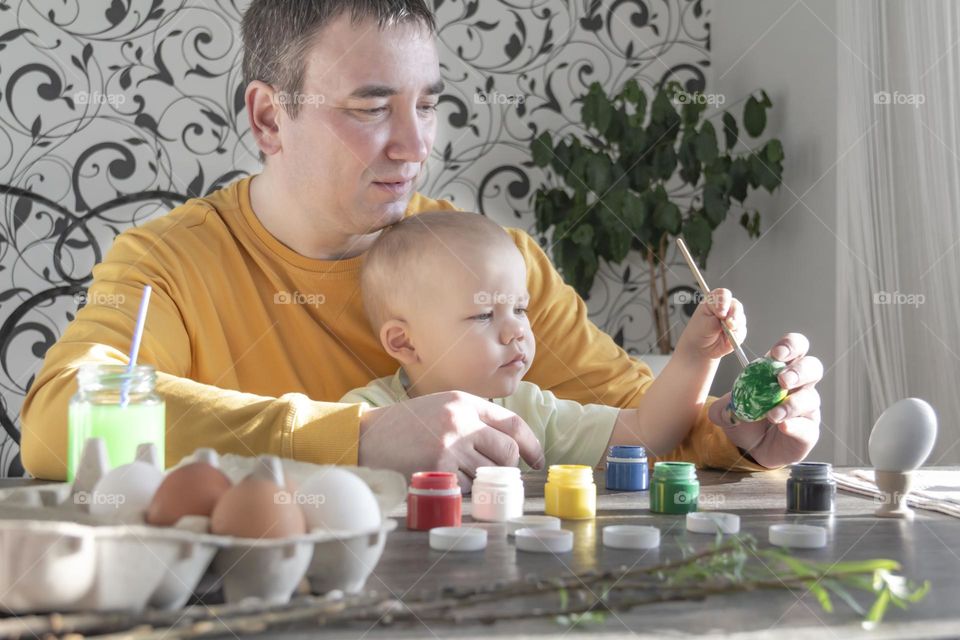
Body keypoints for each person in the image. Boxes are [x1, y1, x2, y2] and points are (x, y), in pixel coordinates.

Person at [19, 0, 823, 482]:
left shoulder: (489, 259)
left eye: (427, 105)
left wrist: (738, 430)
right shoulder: (168, 262)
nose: (415, 145)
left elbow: (635, 422)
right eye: (371, 109)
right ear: (269, 117)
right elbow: (59, 422)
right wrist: (361, 437)